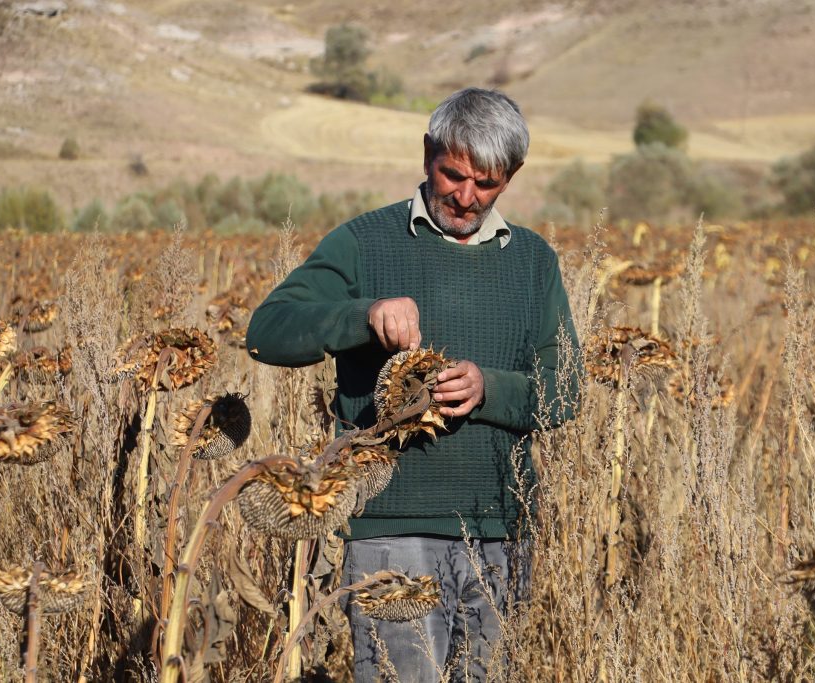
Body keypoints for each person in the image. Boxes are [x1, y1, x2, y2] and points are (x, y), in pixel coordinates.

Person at [246, 87, 578, 682]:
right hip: (389, 530)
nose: (466, 196)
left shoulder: (533, 261)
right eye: (453, 175)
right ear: (427, 154)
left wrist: (489, 389)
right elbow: (267, 331)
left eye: (487, 183)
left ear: (512, 176)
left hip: (500, 531)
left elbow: (567, 390)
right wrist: (363, 315)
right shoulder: (364, 242)